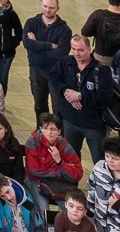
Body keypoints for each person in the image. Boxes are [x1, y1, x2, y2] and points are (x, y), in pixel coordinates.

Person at [48, 34, 113, 163]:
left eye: (81, 50)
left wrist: (79, 96)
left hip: (94, 126)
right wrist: (66, 92)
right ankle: (72, 183)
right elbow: (53, 77)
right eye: (74, 49)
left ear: (89, 49)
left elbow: (104, 98)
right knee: (71, 160)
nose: (76, 53)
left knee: (100, 161)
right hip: (70, 121)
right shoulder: (66, 63)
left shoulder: (101, 71)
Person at [23, 0, 72, 122]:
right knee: (39, 105)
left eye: (51, 8)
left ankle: (58, 136)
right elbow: (27, 44)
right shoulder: (31, 23)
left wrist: (37, 46)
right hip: (36, 70)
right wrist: (50, 46)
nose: (47, 10)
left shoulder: (64, 30)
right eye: (45, 6)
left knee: (58, 108)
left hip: (56, 73)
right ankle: (41, 134)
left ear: (58, 9)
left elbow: (61, 53)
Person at [23, 112, 81, 216]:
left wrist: (59, 162)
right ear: (40, 129)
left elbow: (77, 174)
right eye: (45, 128)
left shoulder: (65, 147)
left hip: (57, 183)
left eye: (53, 129)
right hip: (34, 179)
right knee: (44, 211)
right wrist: (60, 171)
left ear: (59, 131)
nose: (49, 132)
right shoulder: (32, 142)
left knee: (73, 211)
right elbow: (33, 170)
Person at [87, 137, 120, 231]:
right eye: (107, 156)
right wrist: (89, 211)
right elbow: (92, 189)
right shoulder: (99, 167)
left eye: (115, 158)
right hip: (99, 225)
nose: (110, 161)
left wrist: (118, 206)